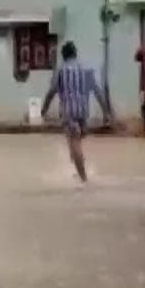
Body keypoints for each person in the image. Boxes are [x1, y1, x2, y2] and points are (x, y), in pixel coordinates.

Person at [42, 42, 111, 183]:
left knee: (74, 141)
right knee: (75, 140)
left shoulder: (61, 71)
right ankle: (79, 168)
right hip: (83, 112)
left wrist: (44, 109)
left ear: (63, 56)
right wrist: (106, 112)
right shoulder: (85, 70)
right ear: (75, 54)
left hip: (69, 112)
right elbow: (97, 92)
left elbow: (51, 92)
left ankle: (83, 178)